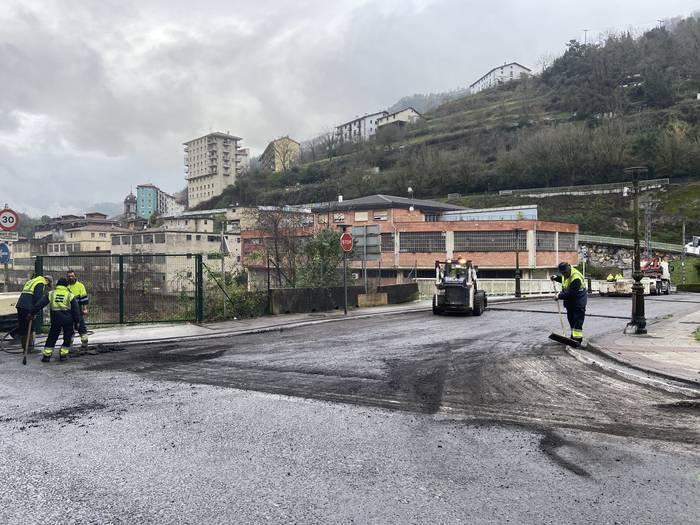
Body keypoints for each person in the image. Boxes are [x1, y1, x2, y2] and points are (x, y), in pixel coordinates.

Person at [32, 278, 81, 362]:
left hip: (55, 320)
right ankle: (63, 355)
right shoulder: (70, 295)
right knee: (67, 337)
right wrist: (77, 322)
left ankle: (46, 356)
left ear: (57, 285)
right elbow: (76, 311)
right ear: (66, 286)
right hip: (68, 320)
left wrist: (31, 313)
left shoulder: (51, 294)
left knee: (52, 337)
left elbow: (40, 304)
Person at [551, 262, 587, 343]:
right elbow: (564, 281)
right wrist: (556, 278)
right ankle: (573, 337)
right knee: (571, 319)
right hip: (570, 302)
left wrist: (559, 296)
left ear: (569, 269)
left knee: (577, 321)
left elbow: (572, 293)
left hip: (578, 302)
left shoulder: (576, 277)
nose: (564, 275)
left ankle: (577, 340)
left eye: (565, 273)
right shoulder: (566, 274)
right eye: (562, 273)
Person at [16, 274, 52, 352]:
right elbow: (38, 298)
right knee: (30, 326)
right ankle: (29, 348)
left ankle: (25, 348)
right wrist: (34, 311)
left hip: (20, 305)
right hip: (28, 307)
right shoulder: (41, 283)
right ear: (47, 281)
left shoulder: (31, 281)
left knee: (23, 327)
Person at [66, 270, 89, 351]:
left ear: (75, 276)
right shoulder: (65, 286)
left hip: (78, 310)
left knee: (80, 326)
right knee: (69, 328)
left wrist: (85, 309)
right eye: (69, 276)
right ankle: (69, 344)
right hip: (68, 310)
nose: (70, 277)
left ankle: (84, 342)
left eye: (72, 276)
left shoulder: (80, 286)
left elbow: (84, 299)